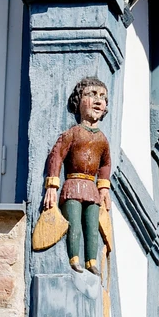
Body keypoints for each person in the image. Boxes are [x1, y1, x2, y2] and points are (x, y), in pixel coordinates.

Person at [43, 77, 112, 275]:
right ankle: (74, 257)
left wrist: (104, 188)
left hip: (92, 188)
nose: (98, 100)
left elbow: (105, 164)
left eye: (102, 97)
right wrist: (52, 187)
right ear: (79, 100)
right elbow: (56, 157)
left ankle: (91, 261)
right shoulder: (72, 133)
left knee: (91, 226)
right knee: (74, 223)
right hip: (73, 184)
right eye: (92, 95)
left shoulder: (102, 140)